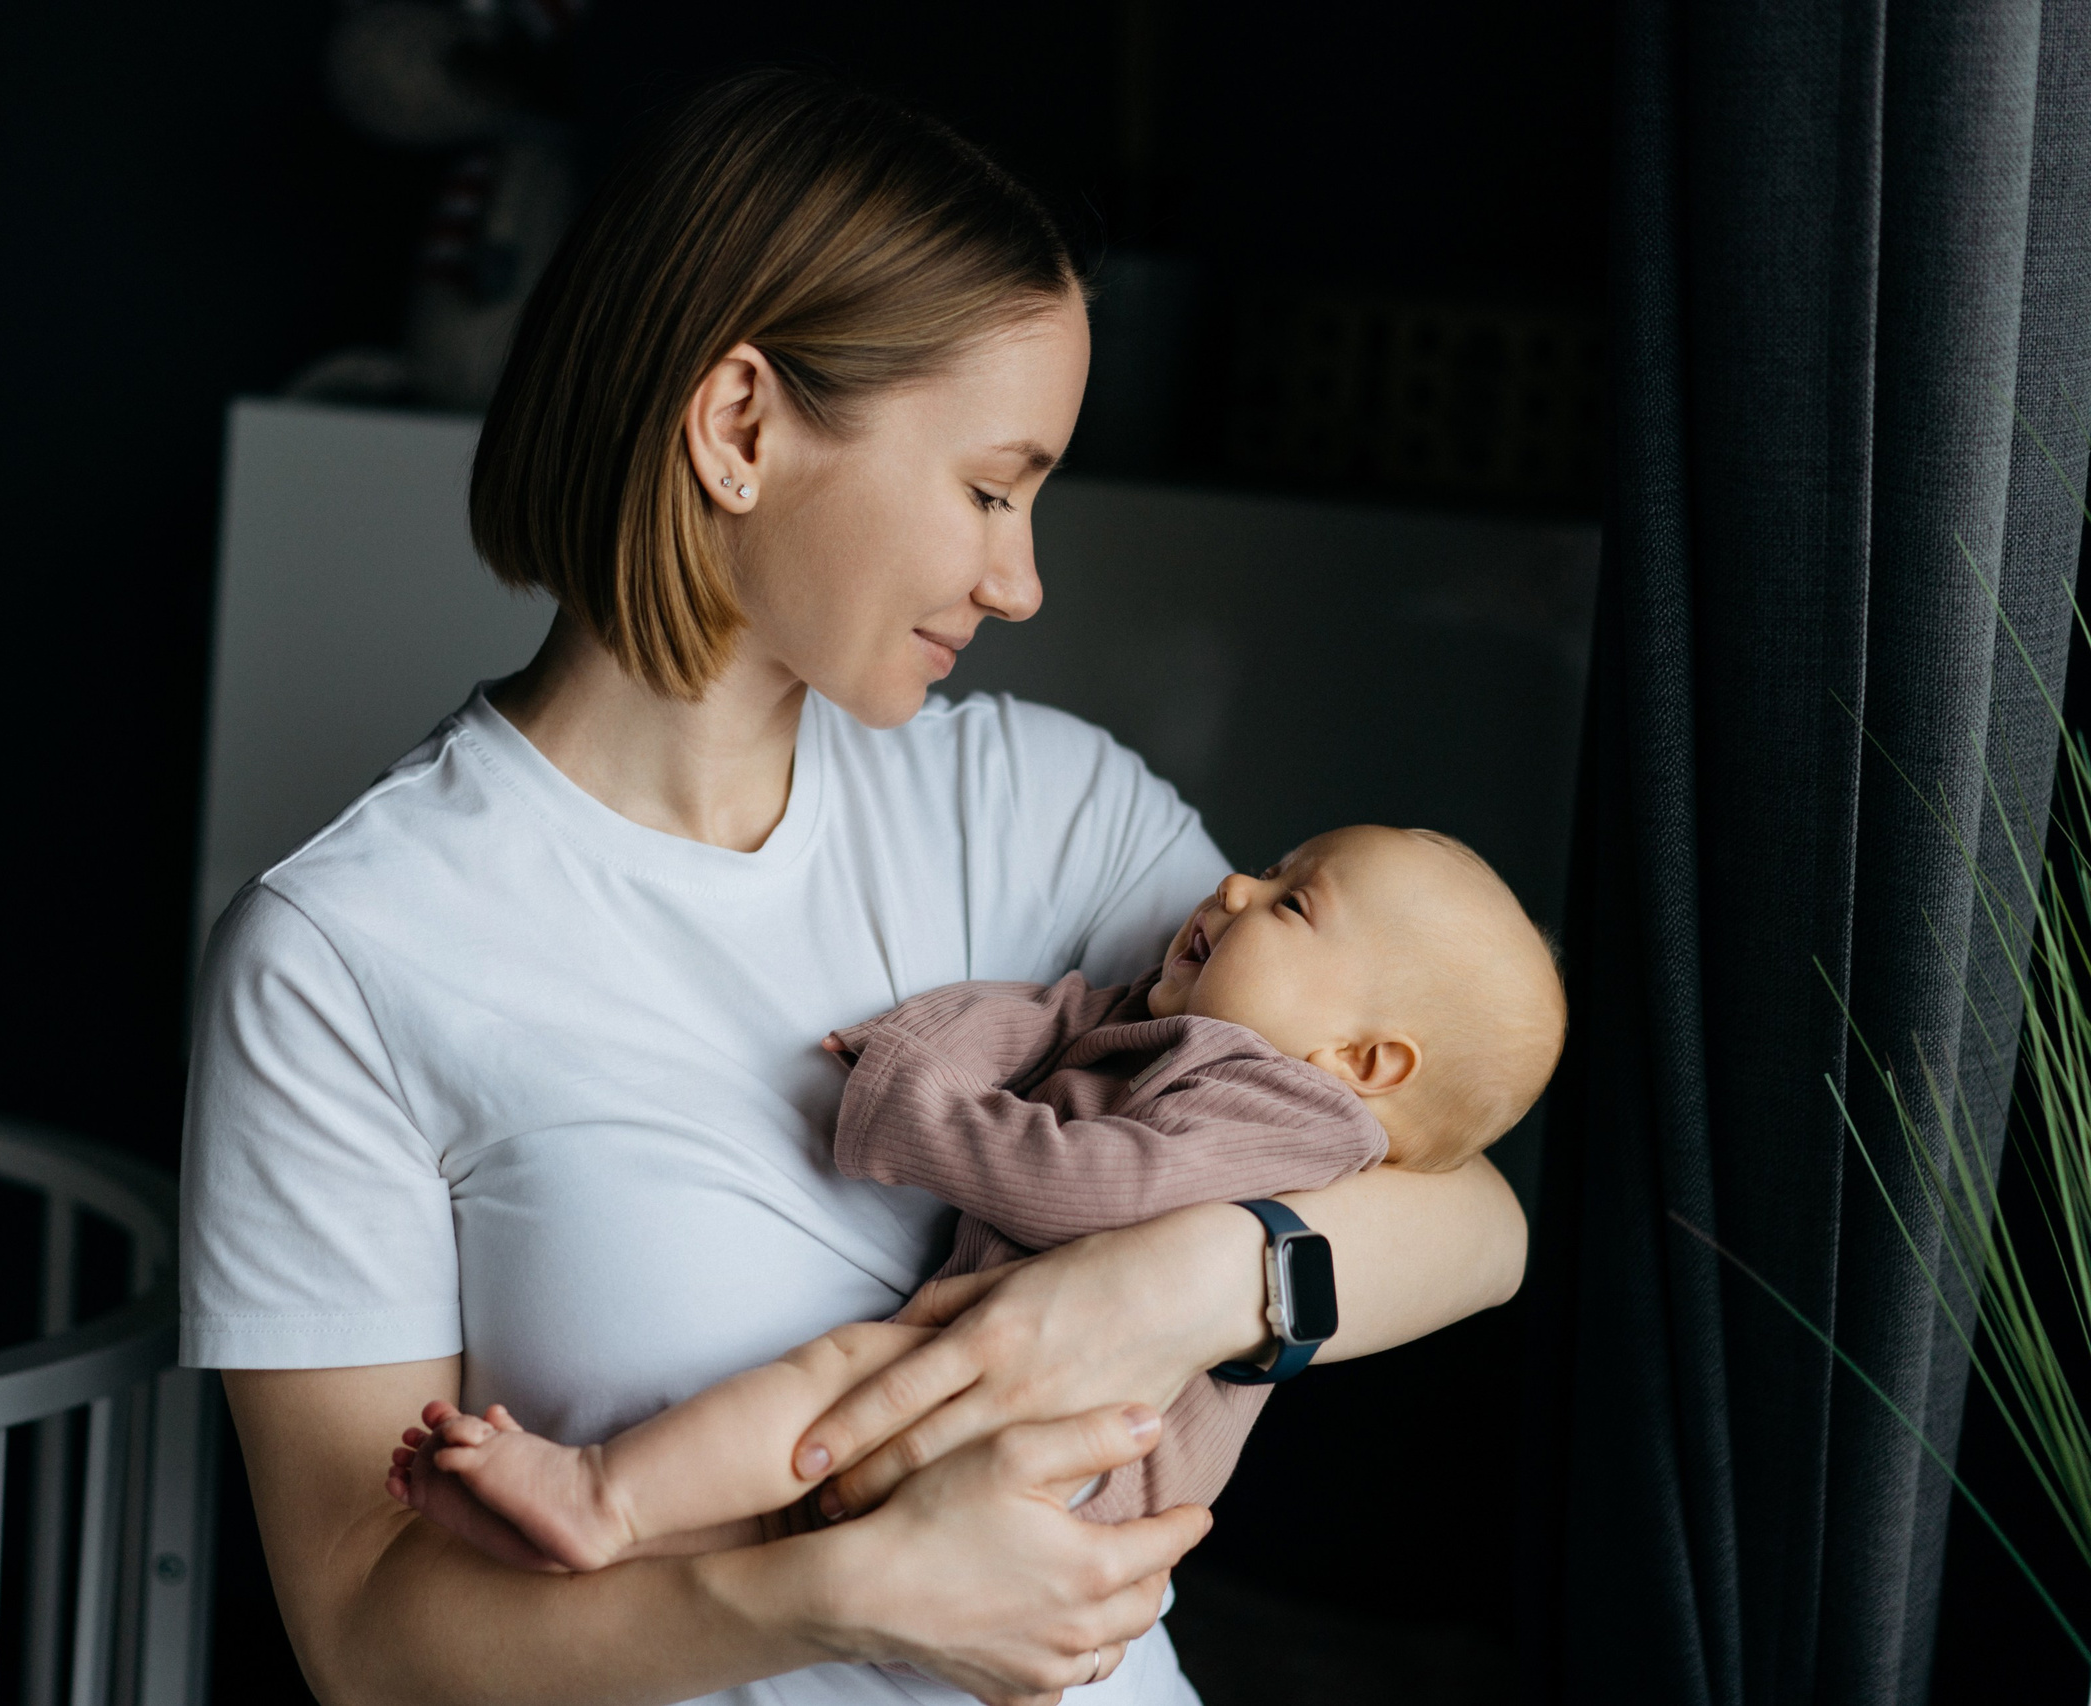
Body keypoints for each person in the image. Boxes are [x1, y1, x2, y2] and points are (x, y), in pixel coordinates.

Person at [183, 69, 1530, 1706]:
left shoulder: (1047, 809)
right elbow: (368, 1641)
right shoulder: (342, 953)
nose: (1020, 581)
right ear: (741, 427)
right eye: (990, 488)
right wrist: (838, 1593)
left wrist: (1188, 1282)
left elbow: (1474, 1212)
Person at [383, 826, 1565, 1572]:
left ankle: (606, 1497)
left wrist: (917, 1111)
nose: (1238, 883)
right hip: (1013, 1405)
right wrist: (918, 1044)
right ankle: (602, 1534)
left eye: (1295, 903)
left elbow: (1104, 1187)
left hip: (1091, 1458)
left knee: (842, 1376)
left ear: (1364, 1061)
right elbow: (1043, 1017)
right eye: (1273, 864)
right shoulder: (1174, 1023)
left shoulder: (1293, 1112)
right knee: (821, 1473)